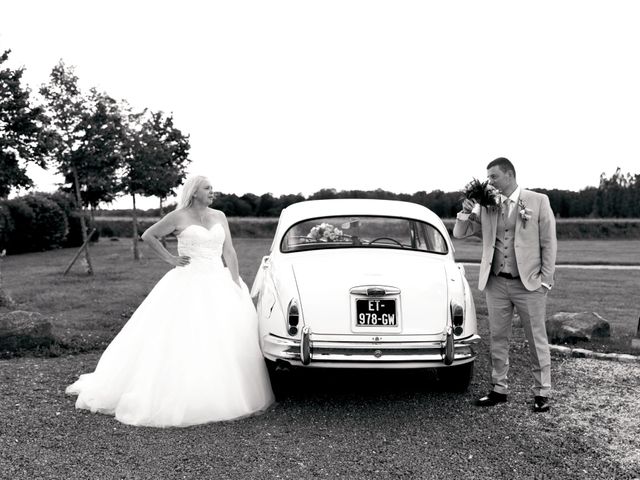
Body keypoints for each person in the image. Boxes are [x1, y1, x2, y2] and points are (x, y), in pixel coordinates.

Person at [66, 175, 274, 427]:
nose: (212, 192)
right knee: (185, 335)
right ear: (194, 191)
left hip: (218, 279)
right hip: (188, 279)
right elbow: (148, 235)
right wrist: (170, 259)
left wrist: (235, 281)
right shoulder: (178, 216)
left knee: (223, 336)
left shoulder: (219, 215)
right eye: (207, 188)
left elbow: (229, 251)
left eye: (212, 189)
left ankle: (218, 390)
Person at [453, 158, 557, 413]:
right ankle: (499, 389)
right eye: (488, 177)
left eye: (494, 176)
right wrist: (467, 211)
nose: (489, 181)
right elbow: (460, 233)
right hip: (496, 283)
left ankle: (542, 392)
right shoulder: (488, 205)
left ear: (509, 175)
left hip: (529, 284)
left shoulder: (538, 201)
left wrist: (545, 280)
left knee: (536, 339)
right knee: (498, 338)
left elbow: (549, 243)